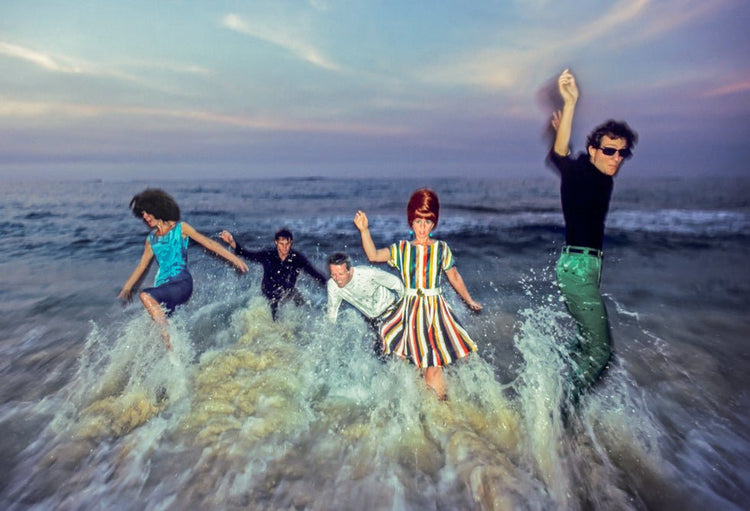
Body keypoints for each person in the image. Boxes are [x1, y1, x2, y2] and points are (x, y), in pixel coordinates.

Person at [548, 68, 638, 403]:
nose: (617, 159)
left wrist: (565, 138)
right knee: (601, 353)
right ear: (593, 149)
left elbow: (563, 154)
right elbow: (561, 157)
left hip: (587, 269)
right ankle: (563, 417)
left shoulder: (602, 176)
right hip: (577, 271)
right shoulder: (580, 172)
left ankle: (549, 386)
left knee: (584, 345)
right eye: (610, 151)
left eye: (622, 153)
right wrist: (571, 103)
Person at [354, 188, 482, 400]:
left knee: (434, 366)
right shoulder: (402, 249)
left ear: (434, 223)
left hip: (435, 312)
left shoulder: (442, 249)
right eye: (418, 222)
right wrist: (364, 231)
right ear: (410, 222)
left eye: (428, 222)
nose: (423, 228)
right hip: (410, 313)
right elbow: (374, 255)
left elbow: (455, 277)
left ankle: (443, 409)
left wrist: (468, 300)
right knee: (417, 366)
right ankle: (424, 411)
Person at [118, 188, 248, 349]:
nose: (145, 217)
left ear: (156, 208)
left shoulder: (181, 228)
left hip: (181, 283)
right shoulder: (151, 239)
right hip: (163, 288)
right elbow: (142, 265)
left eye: (146, 213)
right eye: (142, 215)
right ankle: (176, 359)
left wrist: (234, 258)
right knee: (161, 332)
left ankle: (168, 340)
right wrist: (128, 287)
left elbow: (208, 243)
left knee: (145, 296)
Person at [218, 228, 327, 320]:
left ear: (291, 243)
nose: (284, 247)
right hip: (270, 293)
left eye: (287, 244)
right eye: (281, 244)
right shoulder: (267, 255)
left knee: (303, 305)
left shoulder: (297, 258)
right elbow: (246, 254)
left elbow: (314, 274)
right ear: (276, 243)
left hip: (288, 292)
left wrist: (331, 285)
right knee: (275, 317)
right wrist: (231, 242)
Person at [326, 252, 405, 357]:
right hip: (372, 319)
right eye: (333, 274)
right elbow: (332, 312)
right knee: (380, 356)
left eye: (341, 274)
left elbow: (396, 283)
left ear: (350, 270)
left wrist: (406, 307)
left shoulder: (368, 274)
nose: (337, 279)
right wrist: (329, 338)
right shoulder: (332, 285)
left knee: (398, 350)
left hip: (392, 310)